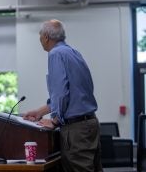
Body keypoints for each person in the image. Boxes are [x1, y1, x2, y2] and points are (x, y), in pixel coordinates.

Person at [23, 19, 102, 172]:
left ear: (46, 37)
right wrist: (39, 112)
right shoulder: (73, 52)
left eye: (40, 35)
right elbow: (73, 93)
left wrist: (55, 120)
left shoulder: (55, 54)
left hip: (76, 130)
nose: (39, 39)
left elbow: (60, 93)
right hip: (90, 123)